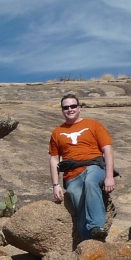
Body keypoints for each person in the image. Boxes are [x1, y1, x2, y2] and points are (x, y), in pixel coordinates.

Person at [49, 94, 116, 240]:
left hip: (94, 166)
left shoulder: (94, 125)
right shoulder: (57, 132)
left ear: (79, 108)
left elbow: (107, 150)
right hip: (72, 175)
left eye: (73, 106)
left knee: (90, 182)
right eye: (66, 107)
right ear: (62, 110)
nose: (70, 109)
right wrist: (55, 184)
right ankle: (89, 242)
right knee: (78, 201)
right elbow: (54, 159)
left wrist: (109, 176)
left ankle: (97, 226)